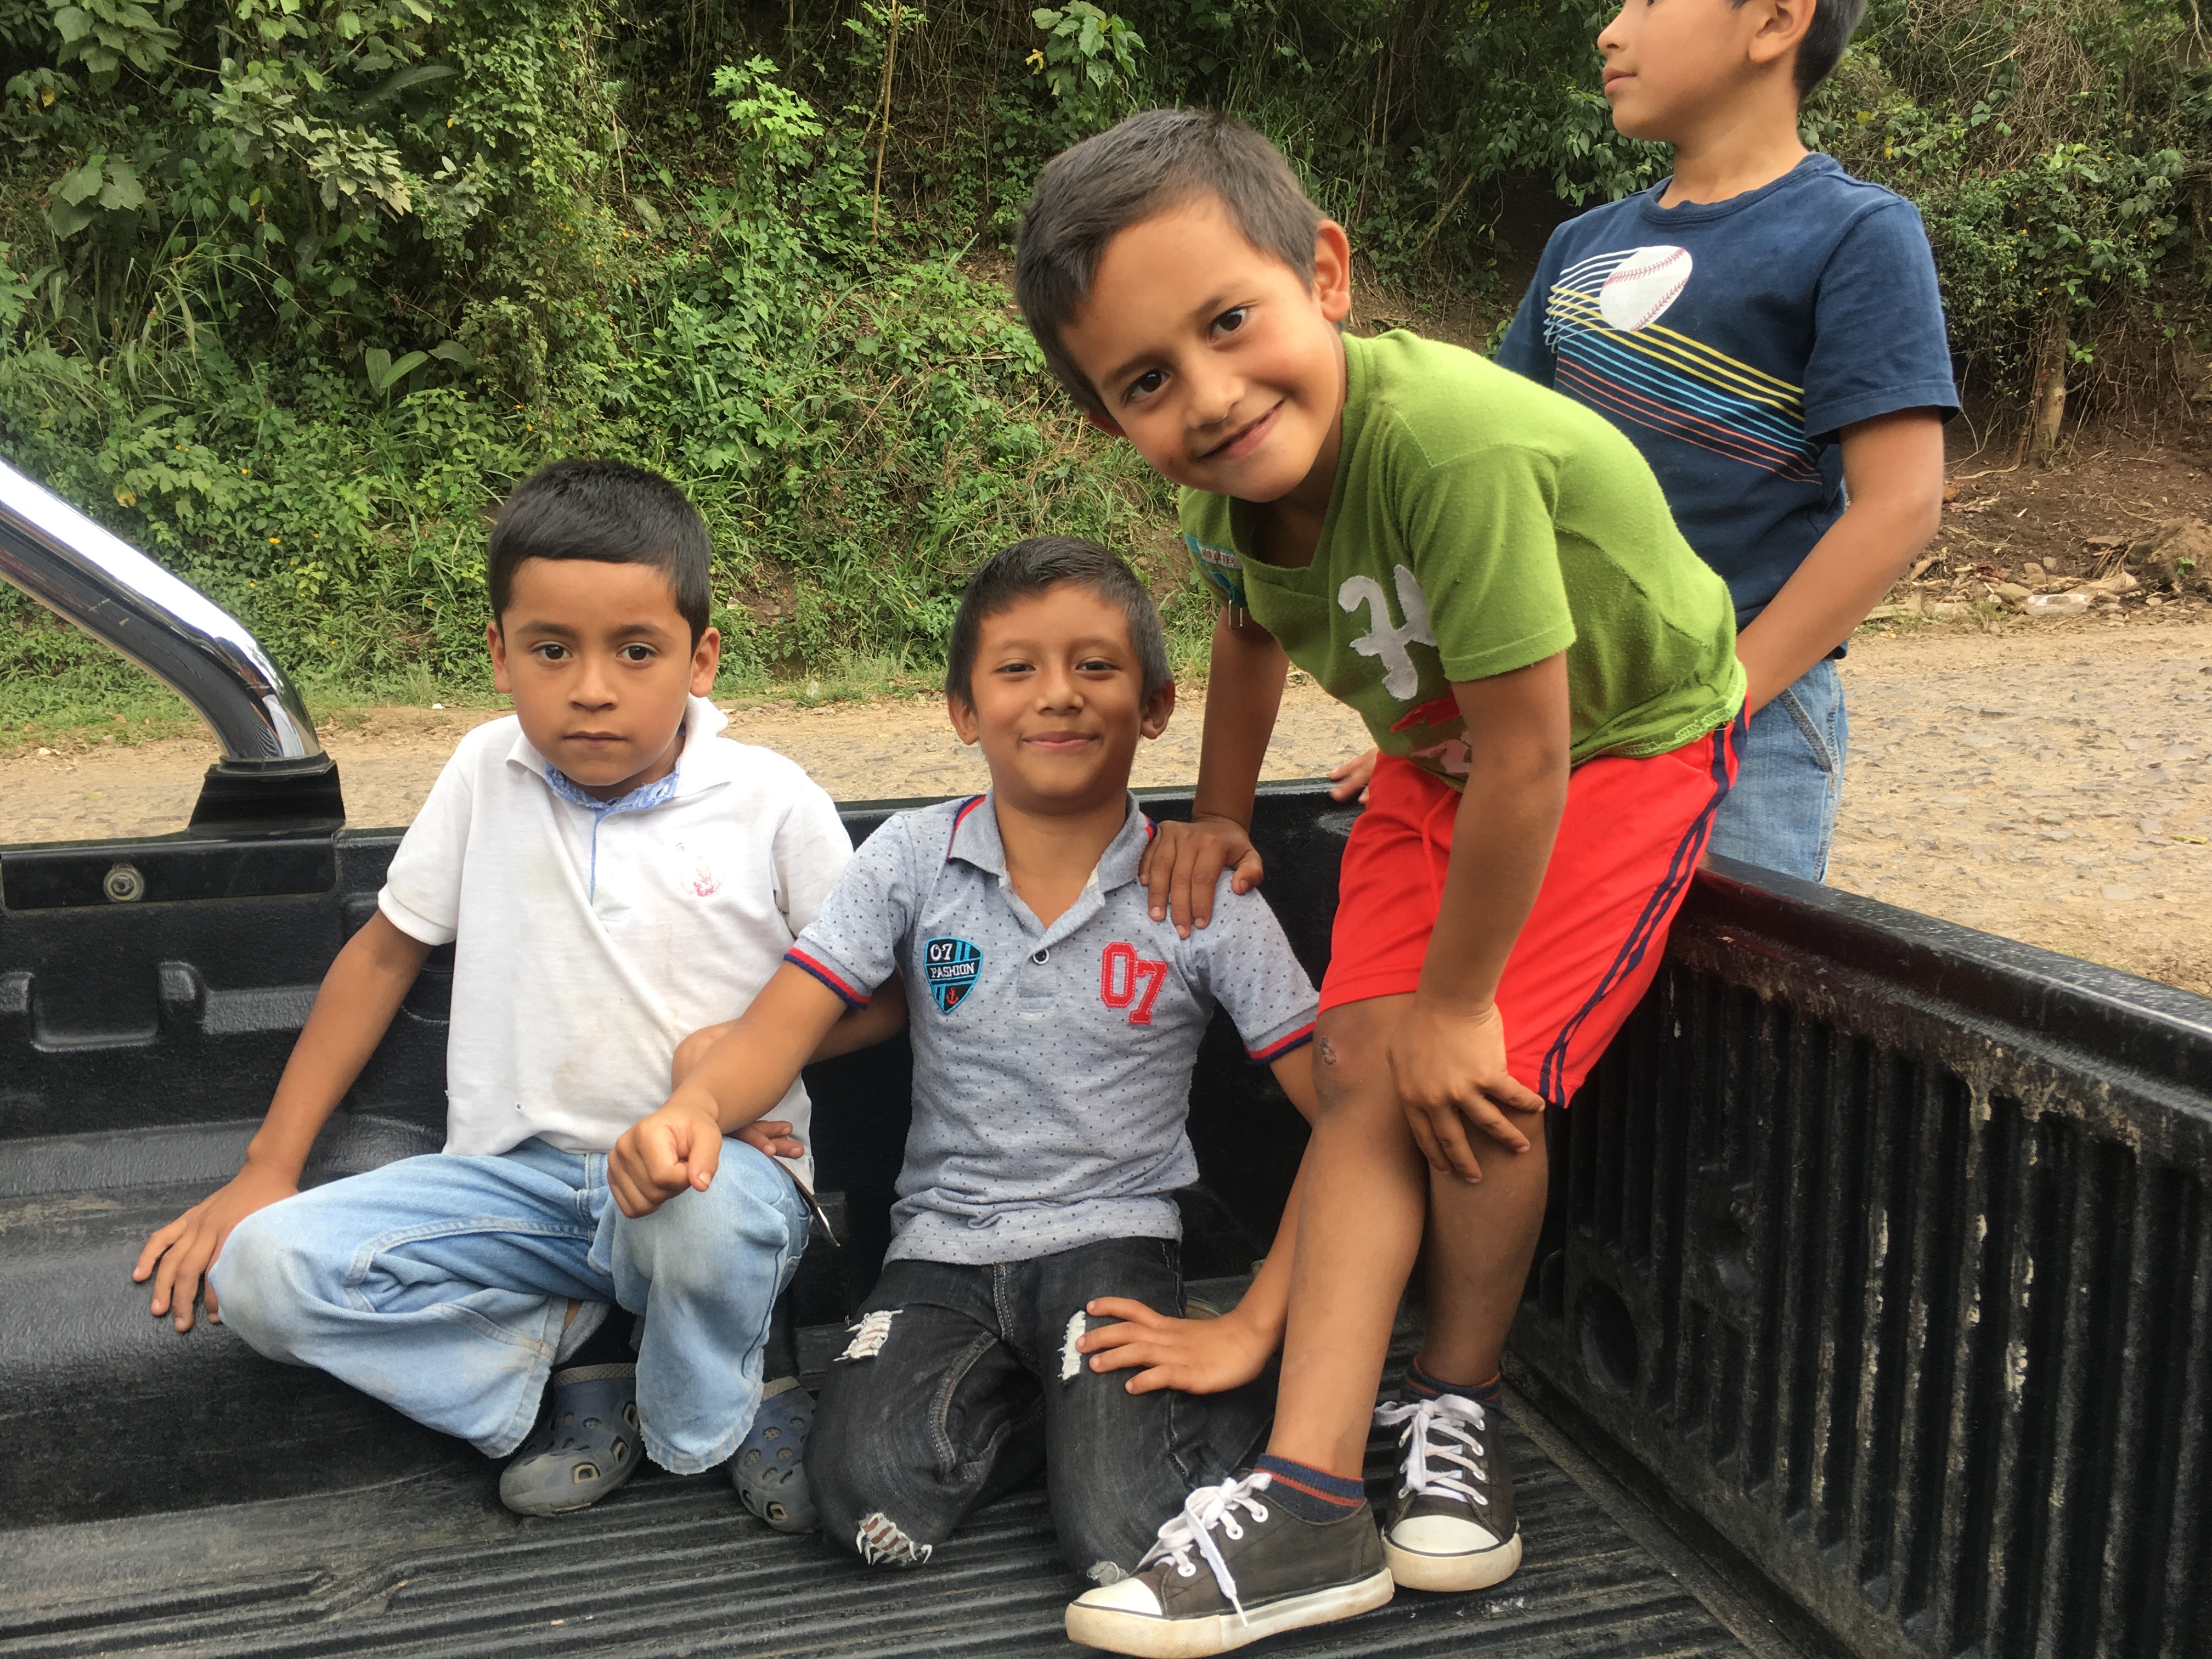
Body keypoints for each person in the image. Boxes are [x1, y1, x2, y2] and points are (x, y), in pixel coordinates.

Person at [1012, 110, 1748, 1654]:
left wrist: (1461, 1005)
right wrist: (1219, 815)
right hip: (1442, 747)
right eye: (1146, 381)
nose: (1210, 396)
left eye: (1229, 324)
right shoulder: (1220, 497)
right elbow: (1249, 625)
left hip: (1616, 740)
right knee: (1360, 1065)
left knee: (1468, 1077)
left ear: (1326, 274)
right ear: (1107, 413)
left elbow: (1534, 753)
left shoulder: (1447, 445)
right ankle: (1312, 1499)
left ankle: (1456, 1399)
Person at [131, 459, 898, 1523]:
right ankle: (563, 1348)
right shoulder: (483, 772)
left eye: (637, 652)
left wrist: (740, 1053)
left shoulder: (770, 800)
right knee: (261, 1273)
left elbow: (882, 997)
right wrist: (270, 1165)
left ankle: (723, 1401)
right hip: (515, 1188)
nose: (592, 687)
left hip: (713, 1174)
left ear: (702, 659)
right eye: (552, 649)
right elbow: (382, 958)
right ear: (499, 654)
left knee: (703, 1224)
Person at [609, 537, 1324, 1594]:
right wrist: (696, 1108)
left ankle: (1191, 1404)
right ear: (963, 710)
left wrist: (1261, 1323)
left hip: (1113, 1241)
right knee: (863, 1505)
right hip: (940, 1249)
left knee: (1121, 1538)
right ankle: (1065, 1411)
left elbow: (1346, 1118)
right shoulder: (911, 858)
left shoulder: (1200, 893)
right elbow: (779, 1028)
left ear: (1158, 706)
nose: (1059, 694)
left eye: (1096, 666)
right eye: (1017, 668)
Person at [1496, 0, 1953, 882]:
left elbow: (1900, 504)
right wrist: (1443, 713)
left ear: (1774, 22)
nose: (1610, 30)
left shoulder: (1855, 234)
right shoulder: (1577, 247)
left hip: (1748, 722)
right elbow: (1502, 484)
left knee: (1714, 968)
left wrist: (1721, 703)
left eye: (1650, 1)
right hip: (1558, 708)